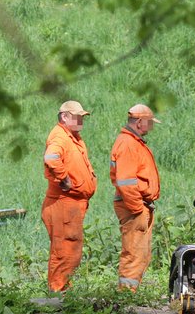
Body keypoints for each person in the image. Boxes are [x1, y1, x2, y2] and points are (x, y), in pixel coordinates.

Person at [41, 100, 98, 292]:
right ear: (64, 116)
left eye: (82, 116)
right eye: (77, 116)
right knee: (63, 251)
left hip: (72, 205)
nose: (81, 120)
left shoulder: (73, 136)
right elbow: (51, 157)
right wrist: (64, 178)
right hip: (62, 204)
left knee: (71, 251)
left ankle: (64, 291)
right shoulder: (59, 136)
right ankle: (56, 295)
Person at [110, 104, 161, 291]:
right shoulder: (128, 144)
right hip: (134, 205)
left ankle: (130, 294)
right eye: (149, 123)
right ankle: (125, 297)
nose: (151, 127)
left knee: (141, 253)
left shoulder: (133, 142)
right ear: (140, 122)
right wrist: (137, 208)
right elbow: (125, 182)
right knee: (133, 253)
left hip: (140, 204)